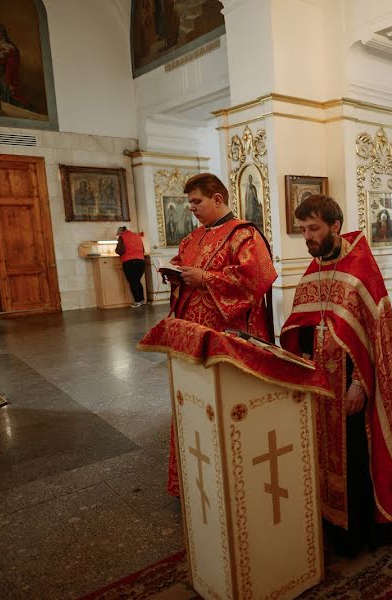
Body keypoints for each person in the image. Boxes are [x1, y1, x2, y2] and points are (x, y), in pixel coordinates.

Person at [280, 194, 392, 556]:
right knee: (324, 453)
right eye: (302, 230)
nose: (307, 237)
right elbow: (303, 323)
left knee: (356, 455)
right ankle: (329, 522)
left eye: (313, 229)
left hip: (352, 384)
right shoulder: (315, 269)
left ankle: (361, 531)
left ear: (335, 227)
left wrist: (361, 383)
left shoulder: (360, 270)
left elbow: (376, 338)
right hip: (320, 382)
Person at [163, 173, 277, 497]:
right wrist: (176, 275)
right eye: (189, 203)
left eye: (196, 201)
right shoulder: (191, 239)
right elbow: (184, 271)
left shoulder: (243, 235)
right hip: (193, 338)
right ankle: (196, 480)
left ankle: (236, 481)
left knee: (229, 409)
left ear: (217, 199)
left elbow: (257, 277)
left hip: (229, 338)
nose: (192, 208)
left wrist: (206, 278)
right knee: (196, 405)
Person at [115, 226, 146, 307]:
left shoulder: (122, 237)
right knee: (137, 281)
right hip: (141, 261)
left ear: (121, 232)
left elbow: (119, 250)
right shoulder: (137, 235)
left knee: (133, 282)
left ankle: (137, 301)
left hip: (129, 262)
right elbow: (143, 250)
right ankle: (142, 300)